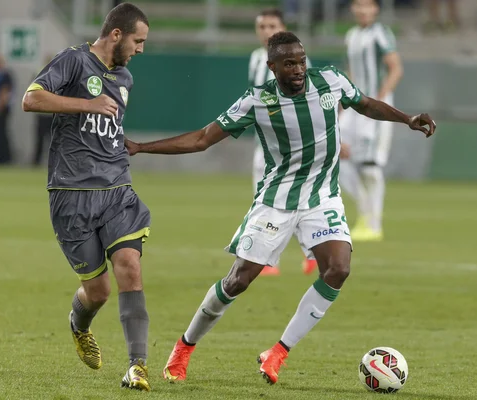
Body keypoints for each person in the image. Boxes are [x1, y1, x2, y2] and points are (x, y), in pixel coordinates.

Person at [126, 32, 435, 385]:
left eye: (302, 61)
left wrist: (406, 119)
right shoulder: (257, 101)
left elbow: (365, 103)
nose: (299, 68)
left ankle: (278, 353)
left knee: (338, 268)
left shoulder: (330, 80)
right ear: (272, 67)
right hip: (276, 202)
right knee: (237, 280)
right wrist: (141, 147)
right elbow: (201, 139)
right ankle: (184, 347)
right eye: (289, 63)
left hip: (321, 197)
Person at [21, 3, 152, 391]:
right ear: (116, 34)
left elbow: (105, 122)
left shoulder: (124, 76)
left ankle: (137, 366)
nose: (140, 49)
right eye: (138, 41)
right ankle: (79, 324)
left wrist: (117, 140)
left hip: (115, 187)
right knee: (99, 291)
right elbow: (32, 99)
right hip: (70, 193)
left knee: (129, 264)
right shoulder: (73, 62)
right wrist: (87, 104)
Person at [249, 8, 317, 276]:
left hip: (292, 147)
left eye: (272, 26)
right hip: (263, 145)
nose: (267, 31)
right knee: (263, 201)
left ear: (282, 28)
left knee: (292, 200)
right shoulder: (256, 59)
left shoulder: (295, 60)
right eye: (262, 26)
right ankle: (269, 259)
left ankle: (309, 253)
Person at [338, 0, 404, 242]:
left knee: (370, 165)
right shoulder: (351, 35)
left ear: (376, 9)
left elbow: (395, 68)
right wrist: (343, 104)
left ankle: (374, 224)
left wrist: (380, 99)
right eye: (359, 5)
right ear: (353, 9)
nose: (363, 10)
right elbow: (350, 72)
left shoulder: (381, 34)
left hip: (375, 106)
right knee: (335, 154)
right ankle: (365, 211)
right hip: (355, 104)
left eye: (368, 6)